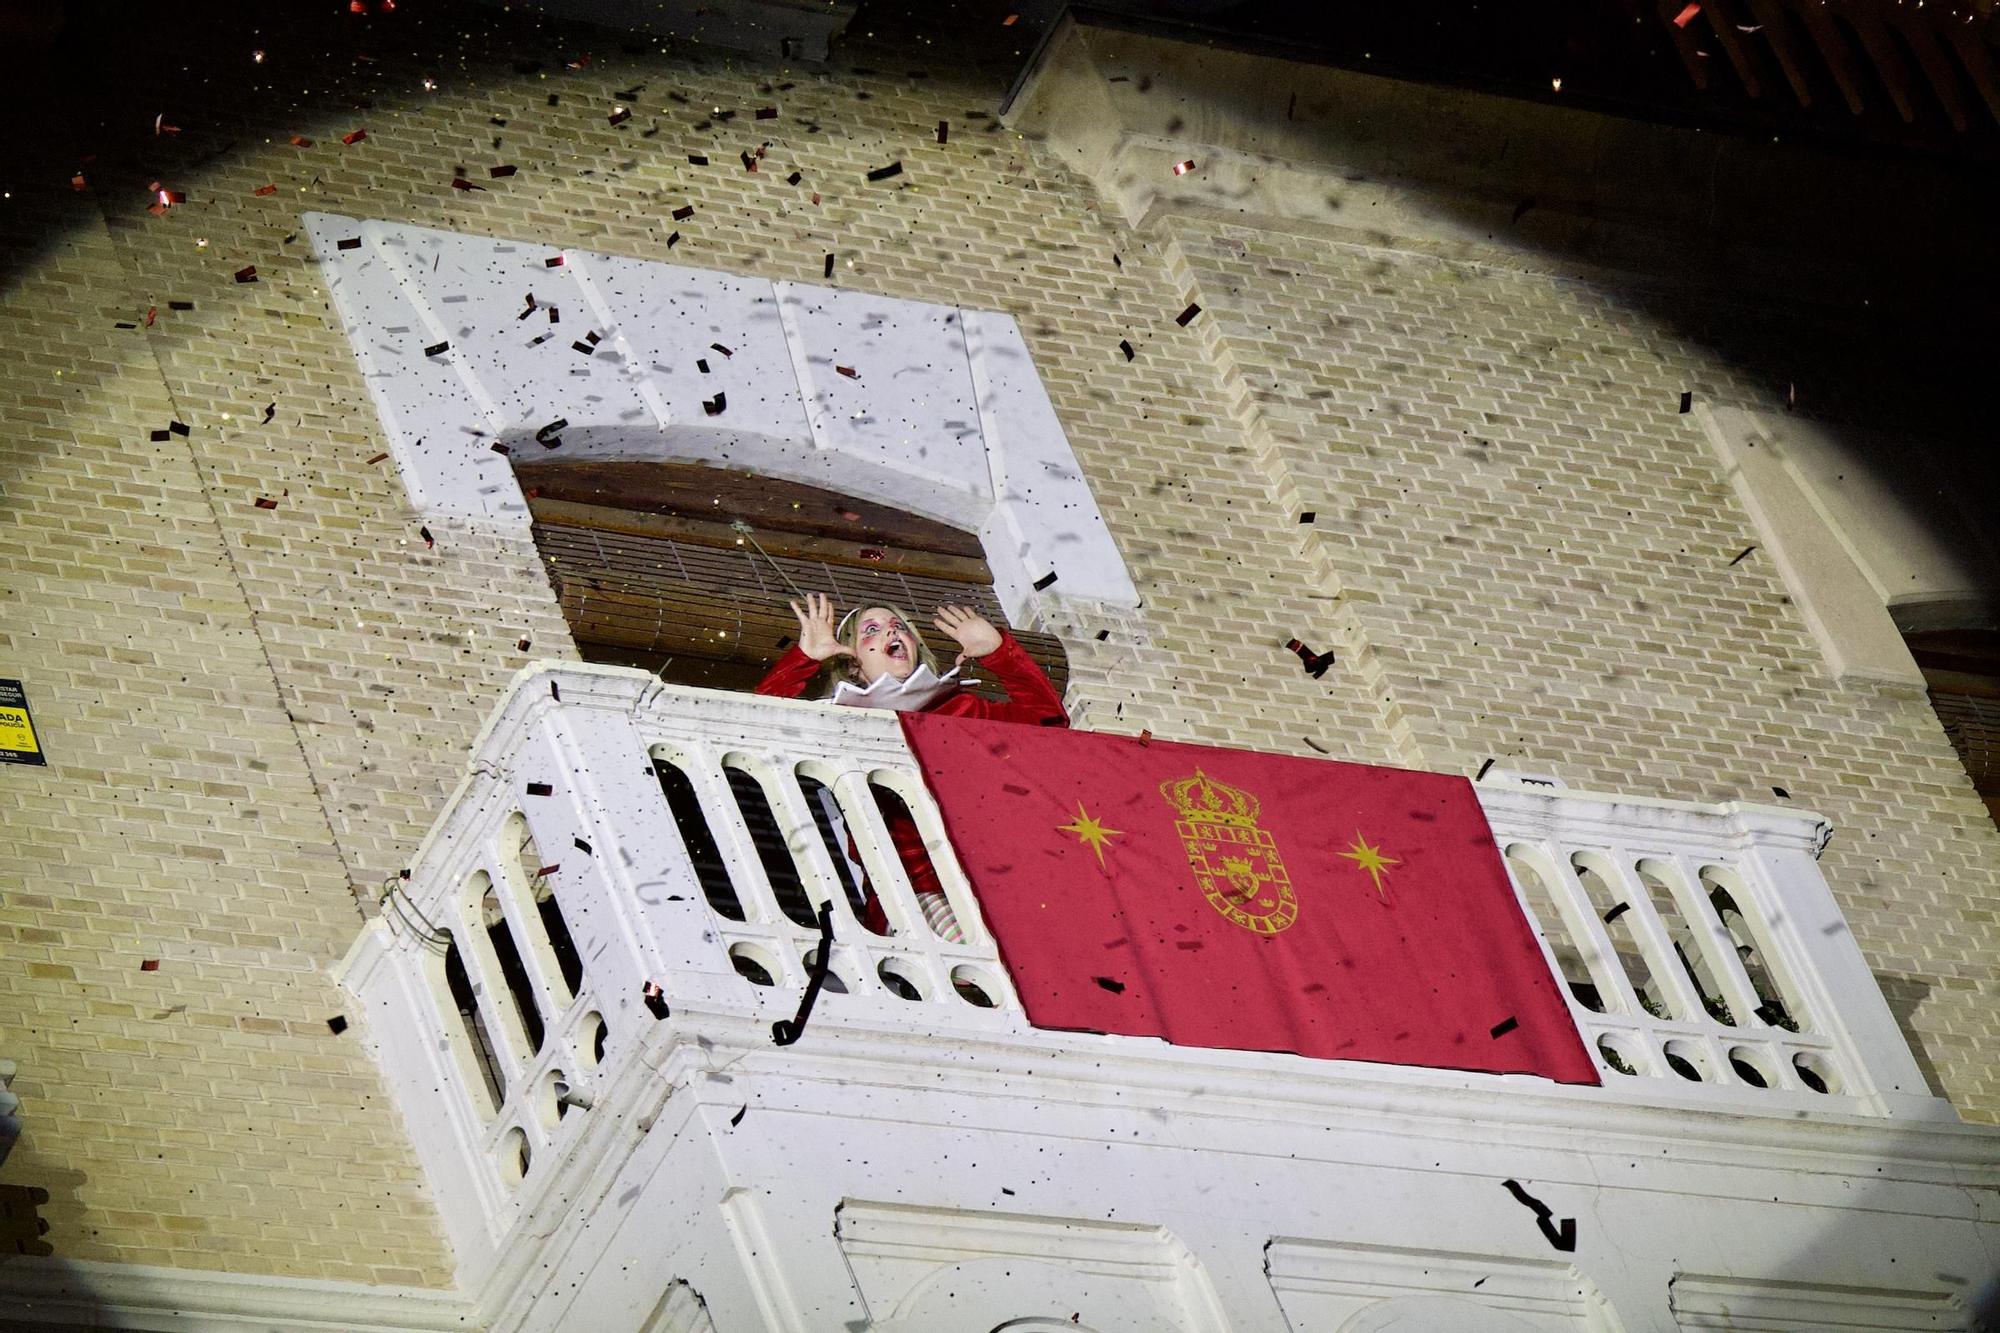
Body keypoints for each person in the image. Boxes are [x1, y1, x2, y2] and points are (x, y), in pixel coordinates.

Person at [756, 593, 1068, 939]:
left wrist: (998, 652)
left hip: (1004, 879)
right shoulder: (841, 721)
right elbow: (754, 731)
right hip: (917, 892)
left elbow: (1049, 726)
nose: (893, 633)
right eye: (871, 630)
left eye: (899, 627)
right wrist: (805, 659)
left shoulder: (962, 709)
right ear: (853, 664)